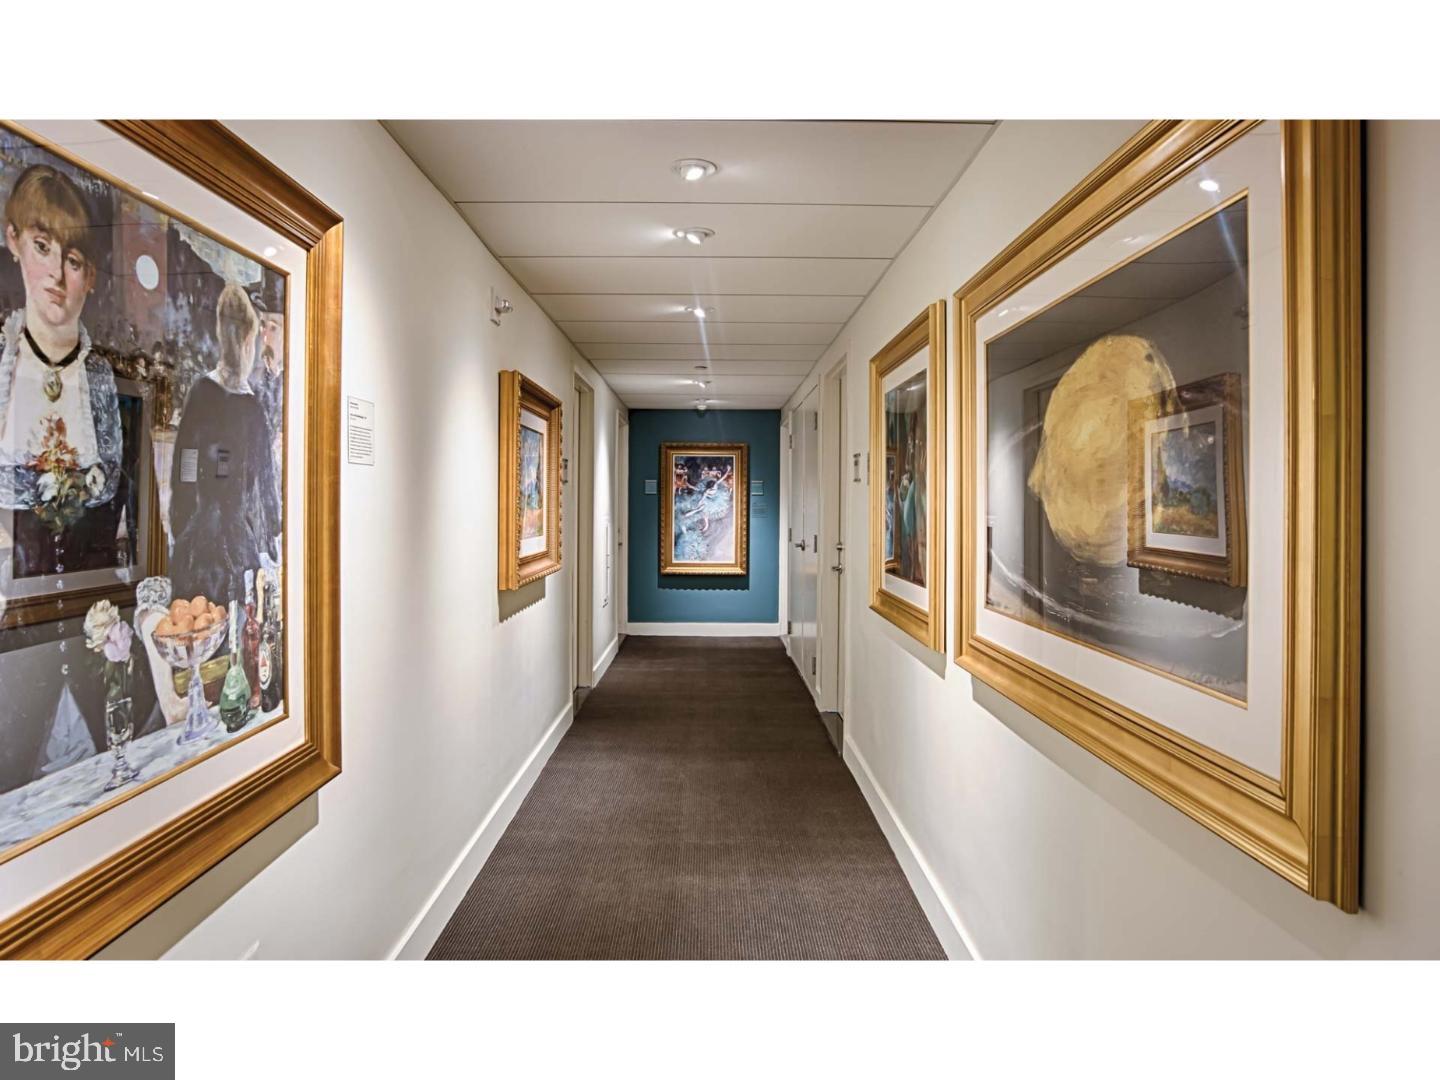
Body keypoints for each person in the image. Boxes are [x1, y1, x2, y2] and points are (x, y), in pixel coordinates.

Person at [0, 164, 122, 575]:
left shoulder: (101, 377)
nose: (55, 273)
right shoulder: (5, 362)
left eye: (71, 260)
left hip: (86, 586)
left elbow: (122, 501)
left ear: (89, 276)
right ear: (12, 239)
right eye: (41, 246)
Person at [167, 283, 281, 606]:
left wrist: (185, 524)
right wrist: (271, 535)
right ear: (249, 339)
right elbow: (266, 488)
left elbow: (184, 470)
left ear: (219, 333)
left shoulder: (200, 393)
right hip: (237, 540)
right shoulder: (254, 409)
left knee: (196, 624)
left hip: (198, 538)